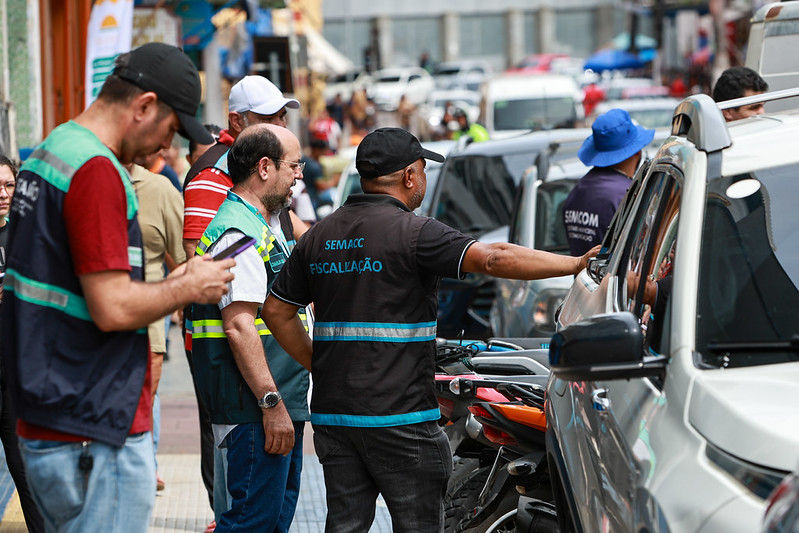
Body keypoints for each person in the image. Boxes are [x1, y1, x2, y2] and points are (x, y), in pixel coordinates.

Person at [261, 127, 599, 532]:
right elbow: (493, 259)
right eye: (421, 168)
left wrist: (321, 364)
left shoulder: (319, 236)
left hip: (336, 418)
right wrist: (575, 264)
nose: (422, 177)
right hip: (402, 419)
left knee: (345, 525)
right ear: (408, 176)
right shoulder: (415, 233)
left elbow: (276, 311)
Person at [0, 42, 234, 532]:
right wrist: (188, 284)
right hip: (91, 428)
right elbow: (111, 307)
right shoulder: (97, 171)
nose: (167, 148)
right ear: (144, 106)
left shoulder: (51, 151)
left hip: (54, 417)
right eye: (170, 129)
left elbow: (78, 289)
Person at [181, 75, 304, 524]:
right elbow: (237, 324)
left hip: (270, 401)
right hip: (253, 407)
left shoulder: (266, 221)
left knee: (271, 518)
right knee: (251, 520)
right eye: (294, 165)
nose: (299, 175)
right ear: (265, 168)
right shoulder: (239, 232)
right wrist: (271, 404)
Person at [129, 162, 187, 492]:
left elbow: (182, 259)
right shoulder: (79, 178)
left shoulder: (161, 188)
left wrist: (170, 299)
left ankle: (143, 467)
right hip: (90, 320)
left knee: (144, 400)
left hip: (149, 320)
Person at [0, 155, 45, 533]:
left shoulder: (28, 233)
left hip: (17, 370)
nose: (3, 194)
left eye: (9, 186)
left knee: (25, 466)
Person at [562, 108, 655, 256]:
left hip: (582, 278)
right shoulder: (628, 196)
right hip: (616, 280)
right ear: (637, 151)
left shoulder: (575, 192)